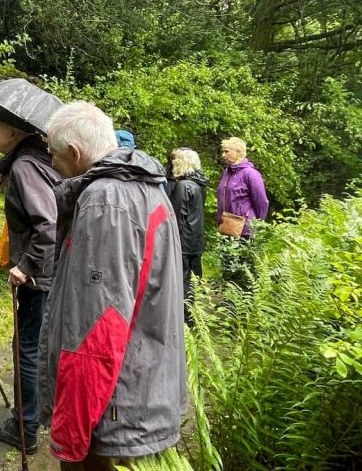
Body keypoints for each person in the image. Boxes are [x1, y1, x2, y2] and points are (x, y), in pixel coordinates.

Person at [38, 102, 186, 470]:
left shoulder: (106, 201)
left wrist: (70, 432)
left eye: (53, 155)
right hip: (138, 388)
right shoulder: (146, 186)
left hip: (113, 405)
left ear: (74, 152)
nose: (51, 164)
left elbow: (96, 329)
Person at [0, 108, 60, 456]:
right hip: (52, 271)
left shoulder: (26, 166)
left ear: (14, 132)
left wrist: (24, 266)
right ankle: (36, 418)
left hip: (38, 275)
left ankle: (24, 429)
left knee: (26, 349)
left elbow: (46, 224)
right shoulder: (37, 158)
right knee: (37, 347)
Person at [169, 148, 209, 325]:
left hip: (183, 240)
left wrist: (171, 240)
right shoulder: (200, 183)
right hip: (196, 239)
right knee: (193, 278)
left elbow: (178, 217)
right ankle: (193, 315)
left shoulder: (184, 185)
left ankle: (186, 319)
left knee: (183, 279)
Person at [216, 137, 269, 238]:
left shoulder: (251, 174)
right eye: (223, 152)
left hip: (245, 230)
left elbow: (261, 201)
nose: (223, 155)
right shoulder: (227, 172)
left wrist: (257, 224)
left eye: (226, 151)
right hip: (226, 227)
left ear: (238, 152)